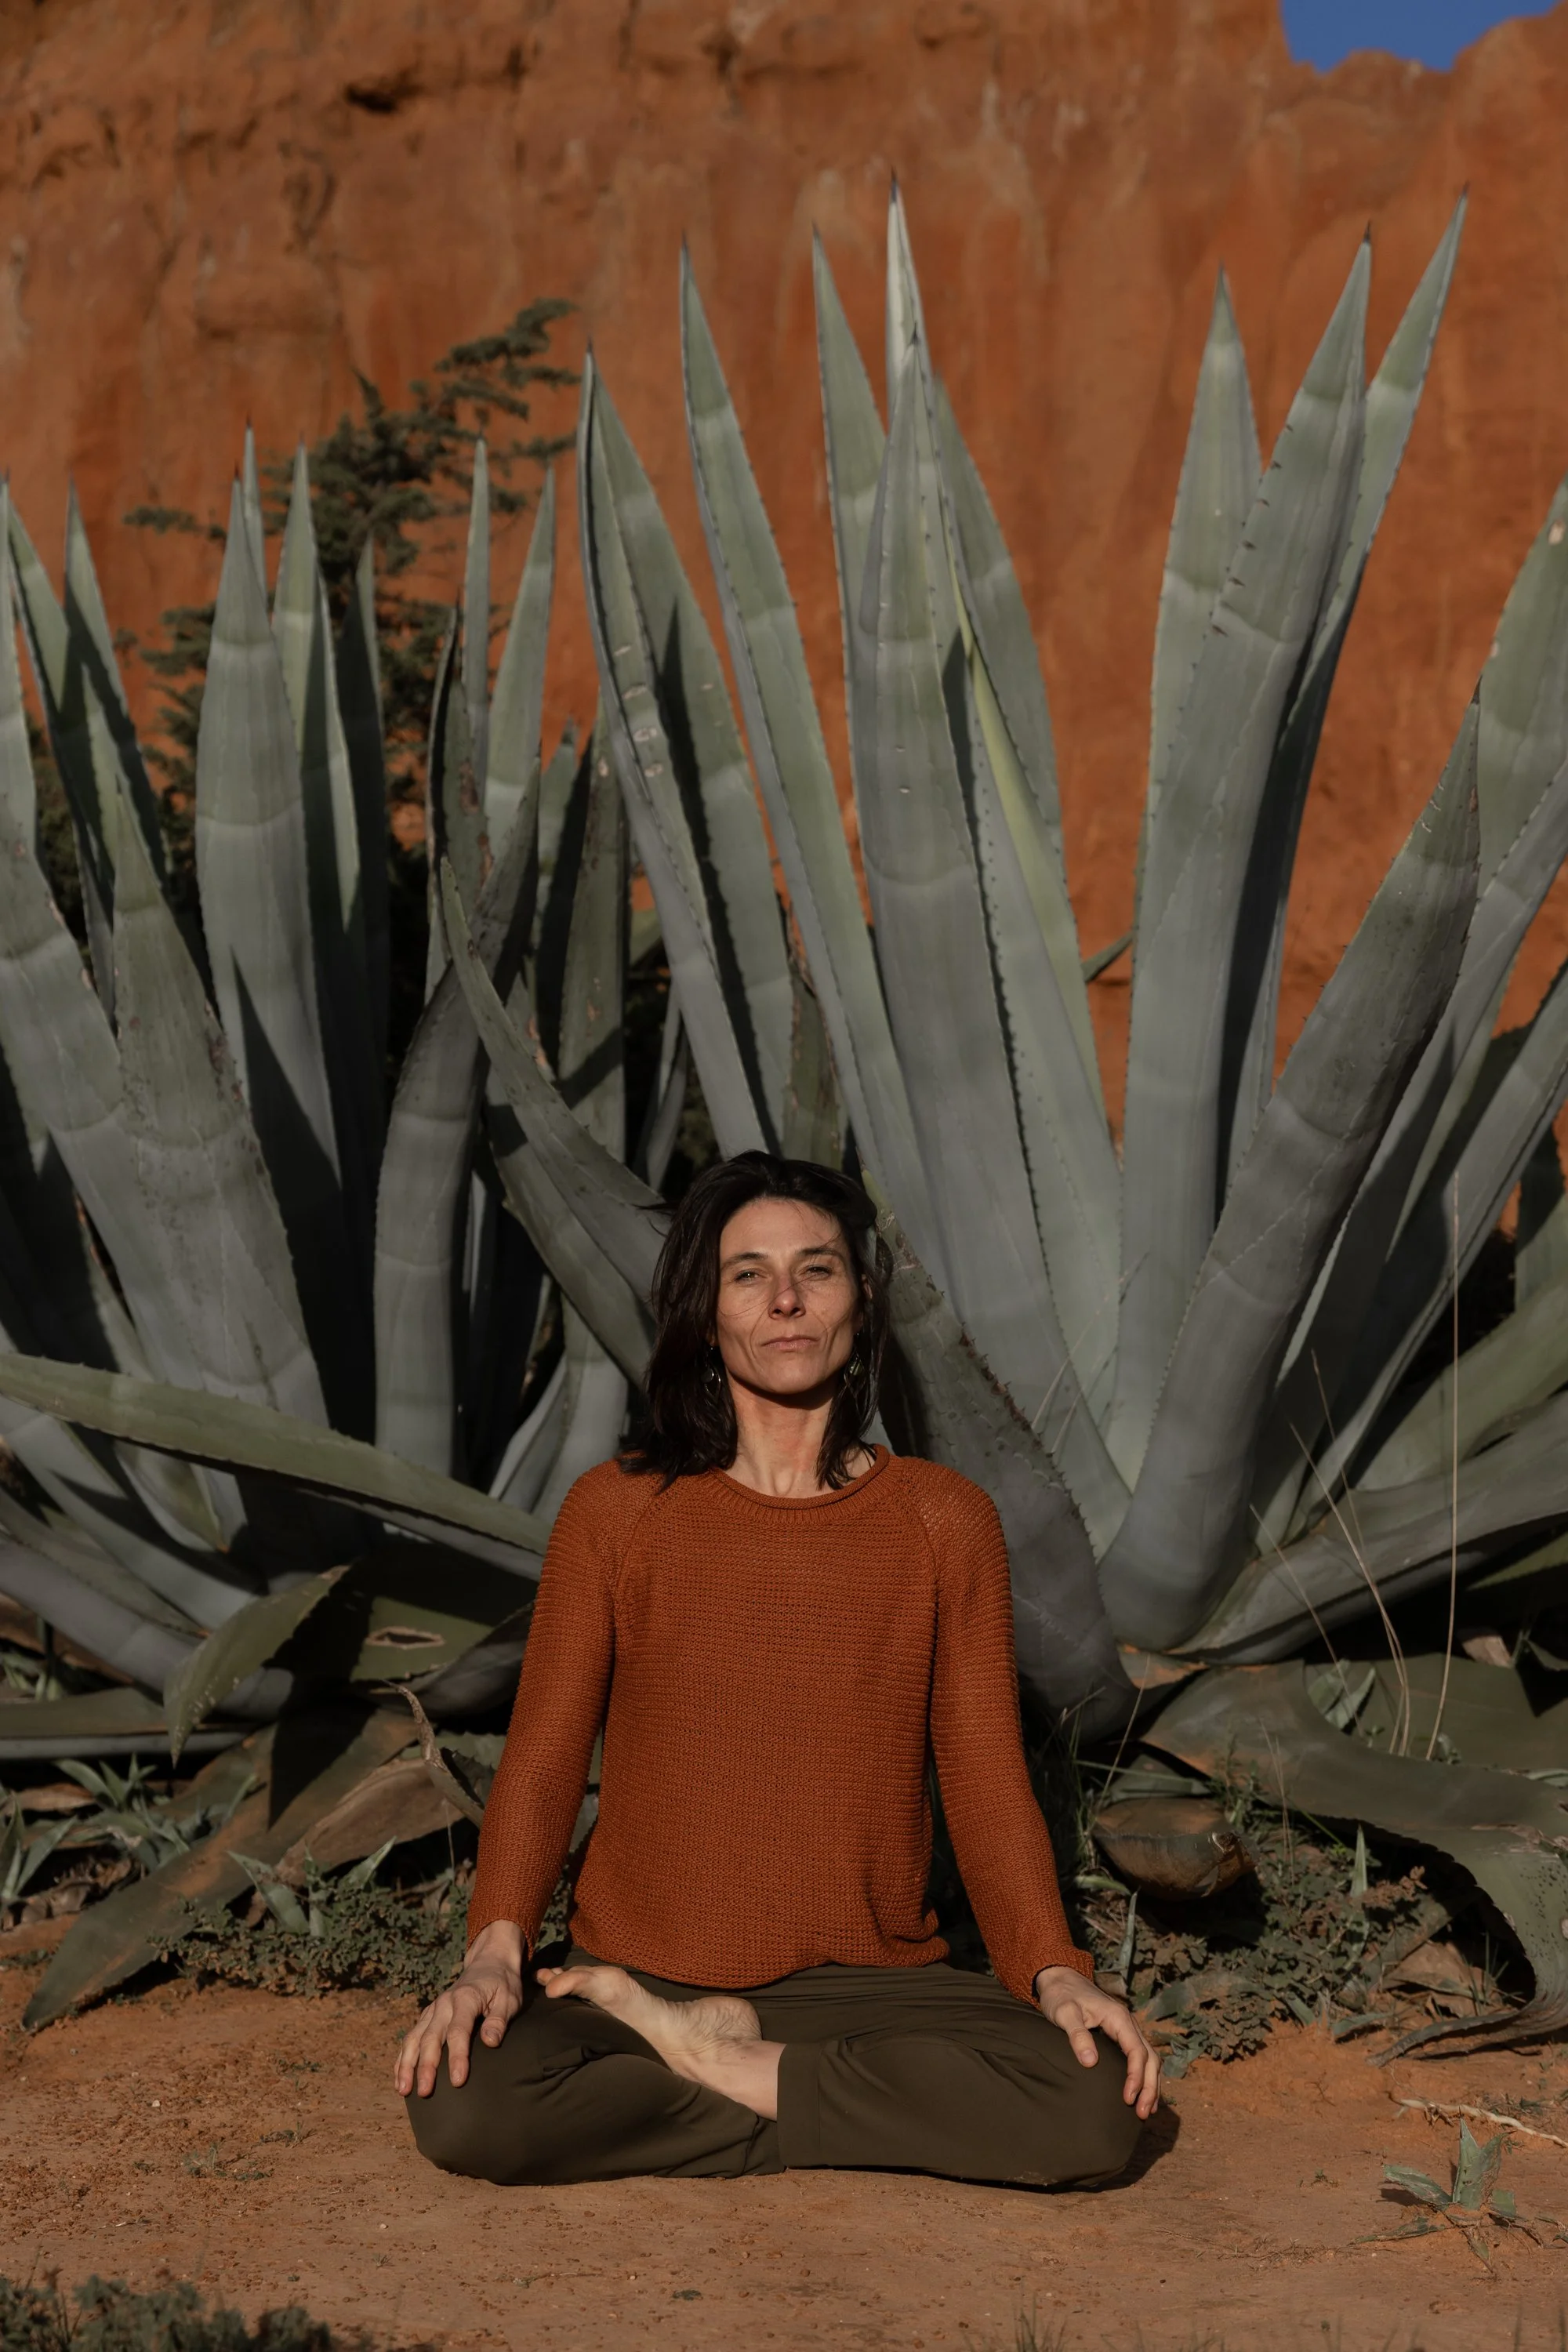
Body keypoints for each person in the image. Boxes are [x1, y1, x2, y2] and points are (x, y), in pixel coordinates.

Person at [397, 1152, 1157, 2187]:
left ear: (862, 1298)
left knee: (1094, 2110)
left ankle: (725, 2066)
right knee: (465, 2106)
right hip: (640, 1977)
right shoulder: (617, 1513)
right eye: (747, 1274)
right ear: (705, 1312)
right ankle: (821, 2096)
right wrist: (495, 1950)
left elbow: (982, 1778)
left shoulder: (943, 1519)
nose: (786, 1299)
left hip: (873, 1986)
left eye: (818, 1268)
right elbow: (540, 1757)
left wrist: (1055, 1972)